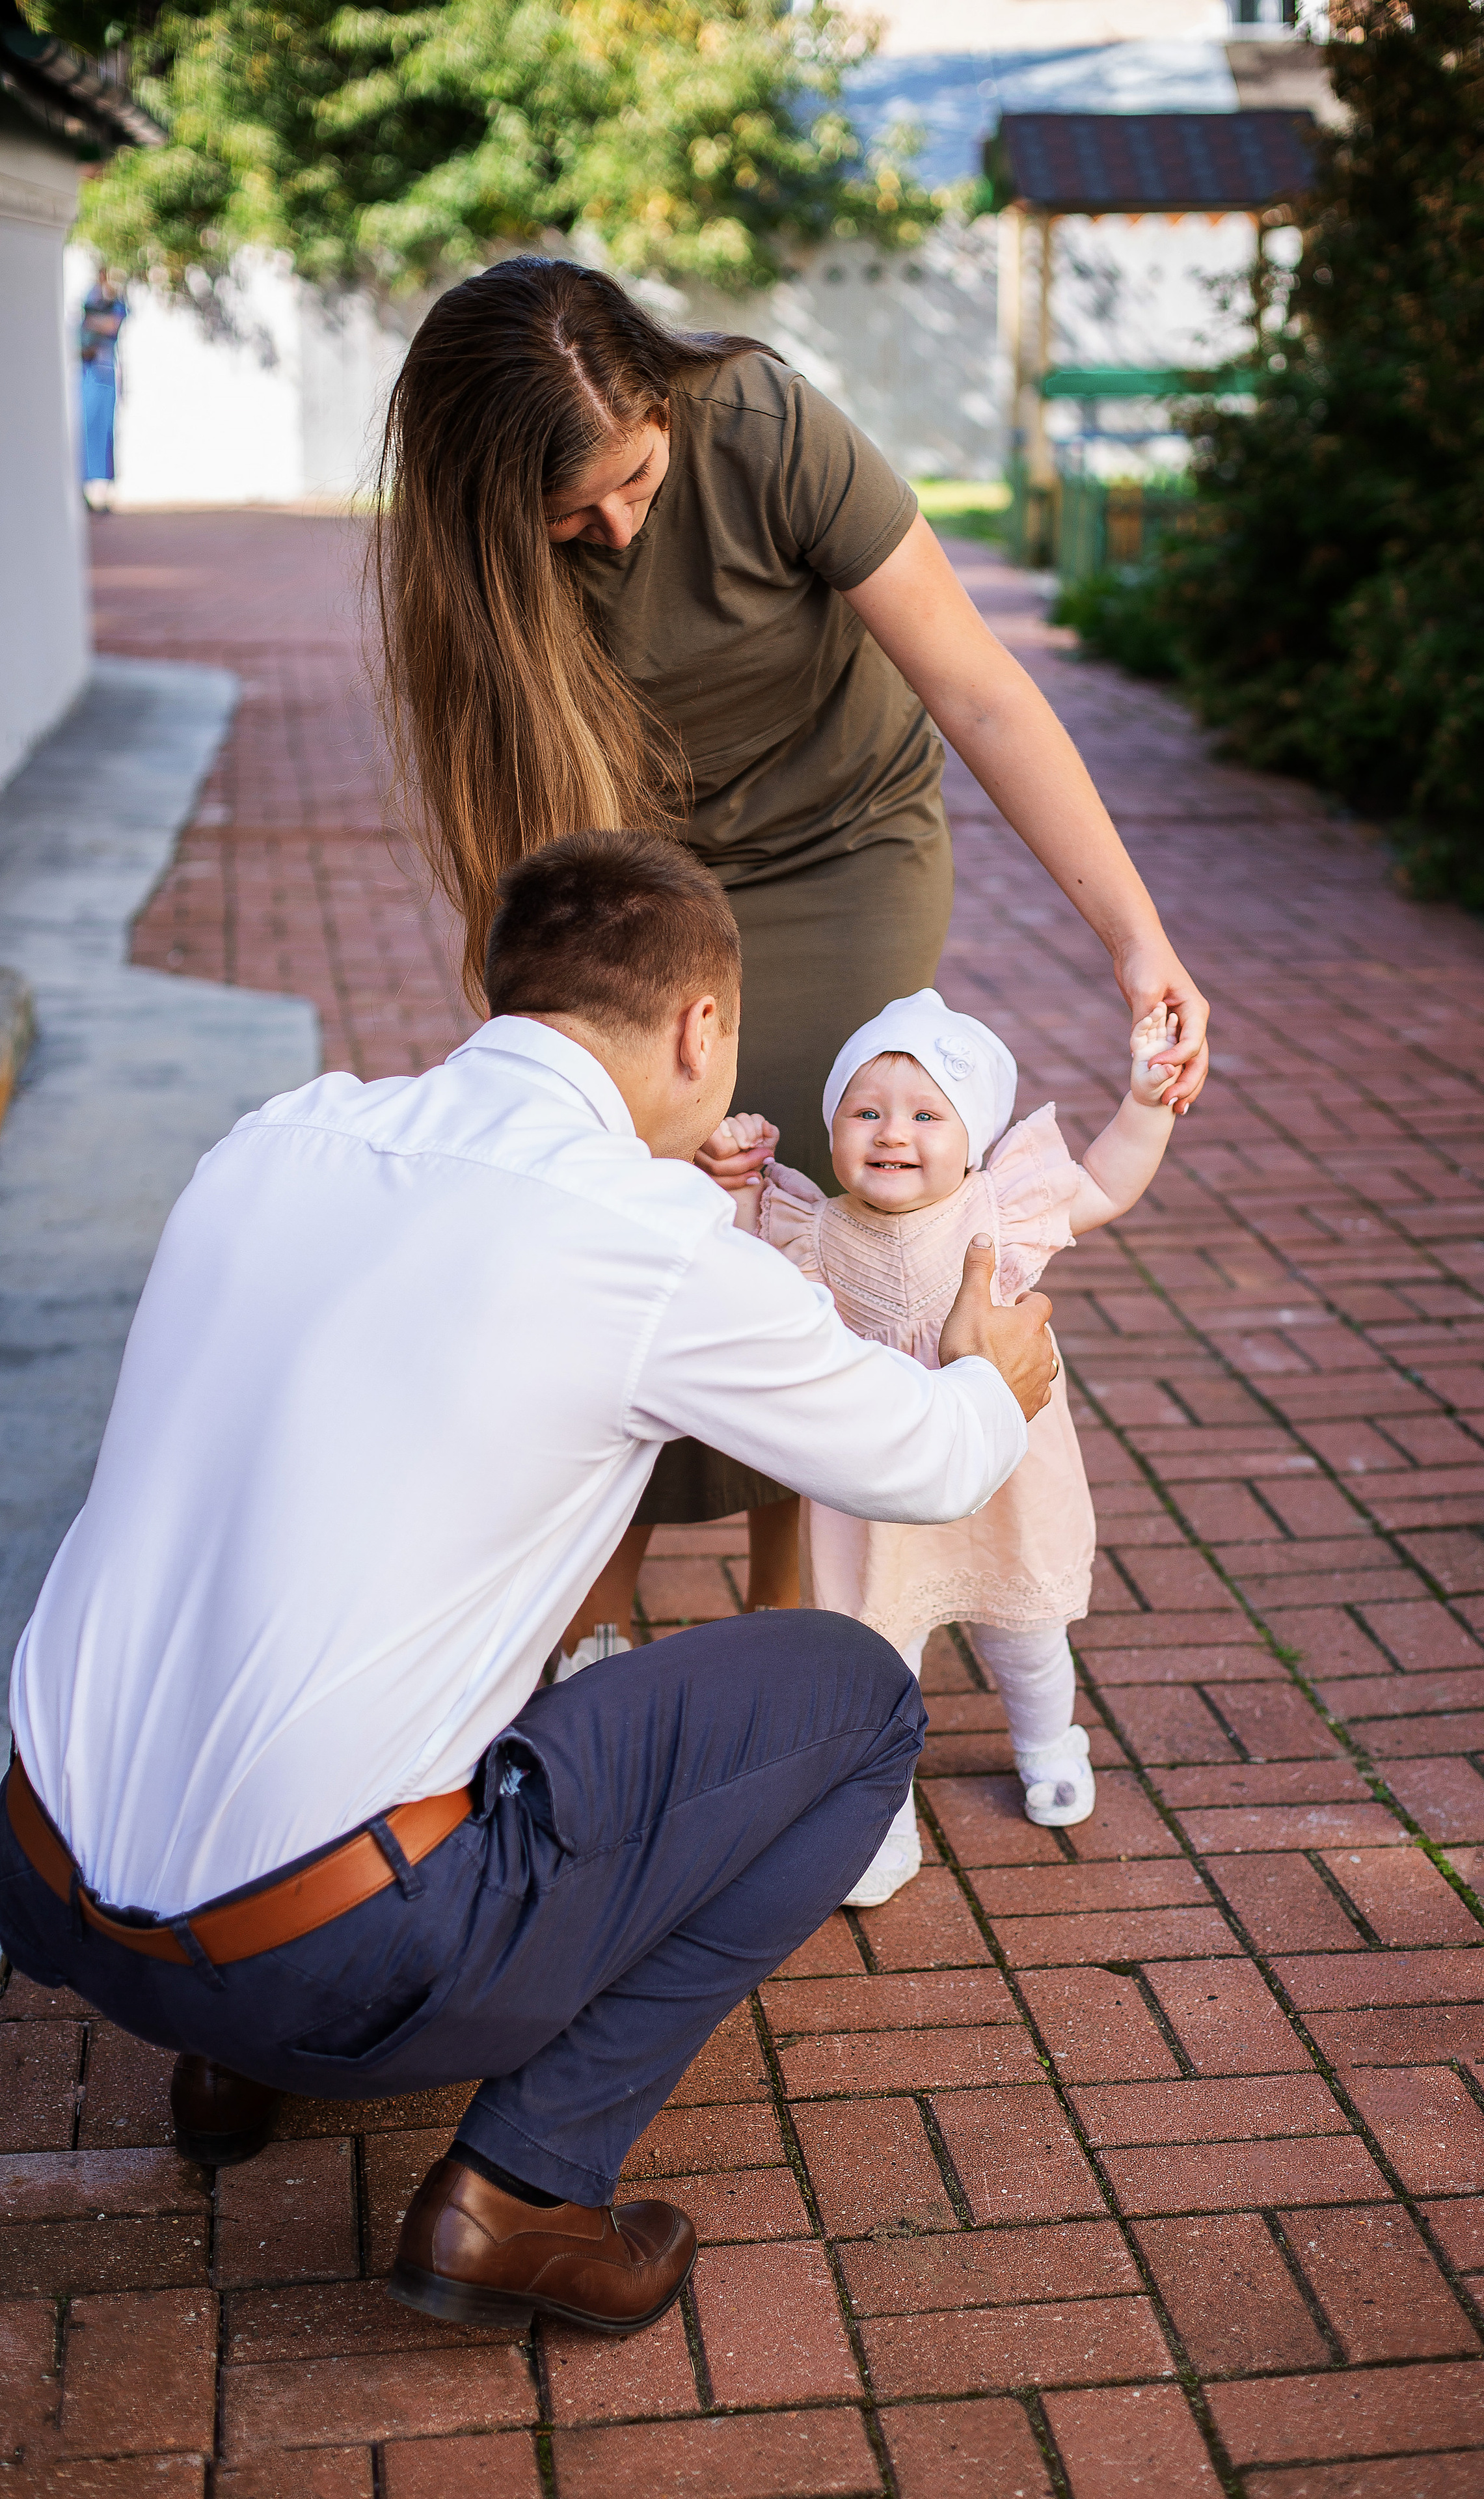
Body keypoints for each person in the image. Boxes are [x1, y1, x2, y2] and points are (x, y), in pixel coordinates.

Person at [0, 830, 1056, 2334]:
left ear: (505, 990)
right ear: (701, 1027)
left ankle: (238, 2055)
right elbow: (929, 1459)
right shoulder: (646, 1242)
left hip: (45, 1880)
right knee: (854, 1699)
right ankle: (522, 2187)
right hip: (320, 1954)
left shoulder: (278, 1134)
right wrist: (993, 1373)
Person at [371, 255, 1209, 1652]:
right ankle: (584, 1611)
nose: (623, 527)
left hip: (844, 846)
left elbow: (980, 692)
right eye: (574, 512)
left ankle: (794, 1611)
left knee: (814, 1202)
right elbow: (513, 866)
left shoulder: (761, 425)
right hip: (634, 878)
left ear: (660, 404)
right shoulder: (464, 581)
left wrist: (1138, 941)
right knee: (629, 1208)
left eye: (638, 480)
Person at [712, 987, 1179, 1906]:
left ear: (974, 1139)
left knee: (1026, 1624)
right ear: (834, 1126)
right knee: (877, 1654)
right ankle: (881, 1819)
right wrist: (731, 1184)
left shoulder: (1001, 1214)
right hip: (873, 1482)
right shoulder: (809, 1228)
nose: (894, 1133)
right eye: (867, 1111)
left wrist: (1148, 1102)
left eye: (930, 1114)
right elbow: (734, 1271)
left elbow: (1107, 1183)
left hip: (1005, 1473)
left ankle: (1049, 1742)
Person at [79, 267, 127, 511]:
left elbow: (110, 326)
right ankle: (86, 492)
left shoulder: (114, 302)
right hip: (89, 376)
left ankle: (104, 494)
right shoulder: (91, 298)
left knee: (106, 434)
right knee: (85, 433)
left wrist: (95, 321)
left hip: (105, 375)